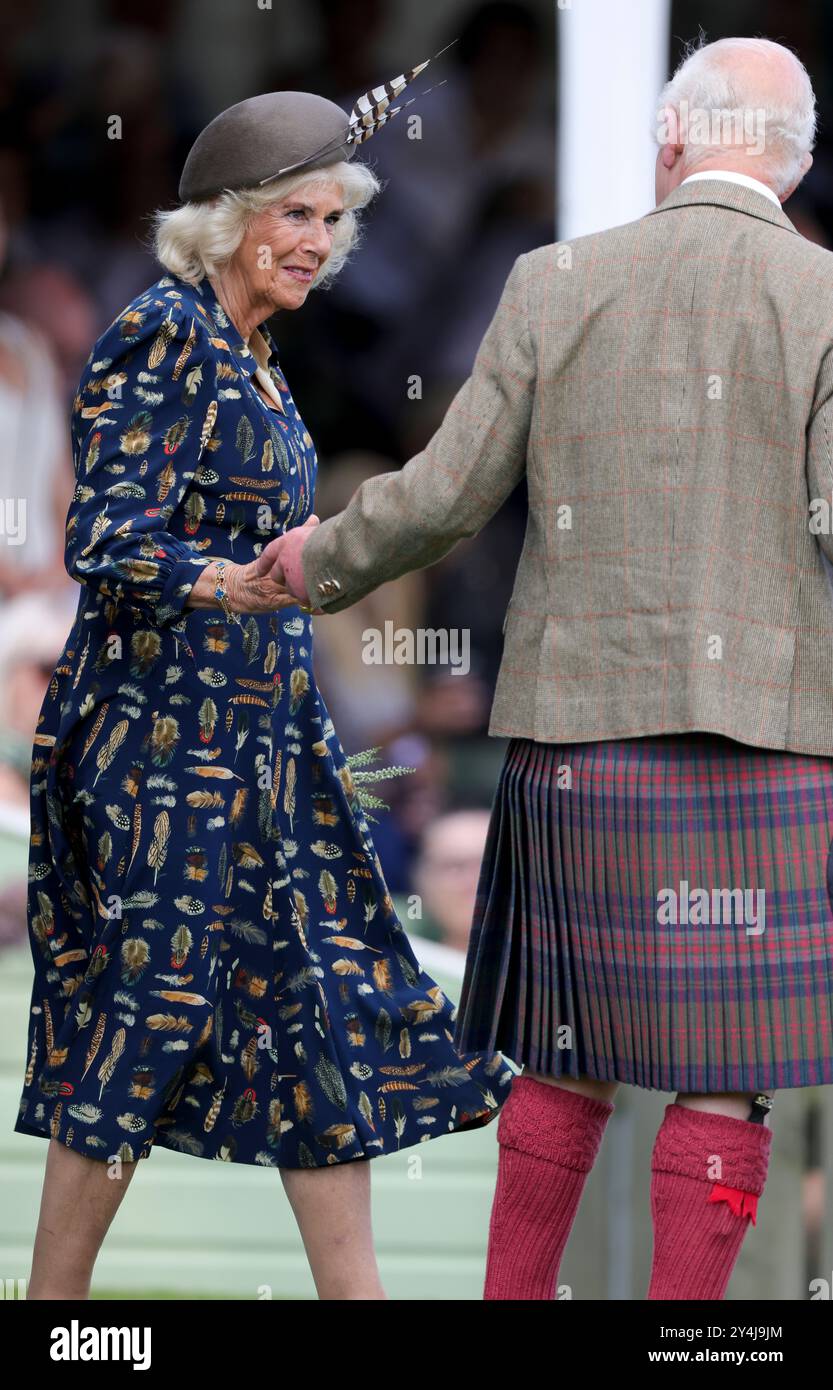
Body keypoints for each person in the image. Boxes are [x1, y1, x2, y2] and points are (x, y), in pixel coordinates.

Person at [263, 35, 832, 1301]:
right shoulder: (827, 299)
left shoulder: (555, 280)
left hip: (578, 743)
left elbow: (445, 498)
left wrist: (314, 560)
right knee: (723, 1072)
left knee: (562, 1058)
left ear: (669, 138)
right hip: (772, 743)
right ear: (789, 170)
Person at [15, 74, 512, 1302]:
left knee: (321, 1016)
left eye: (334, 219)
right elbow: (104, 537)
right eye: (295, 215)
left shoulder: (260, 356)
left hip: (265, 742)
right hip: (159, 744)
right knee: (139, 1022)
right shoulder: (162, 331)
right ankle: (52, 1311)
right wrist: (226, 583)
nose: (319, 242)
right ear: (224, 221)